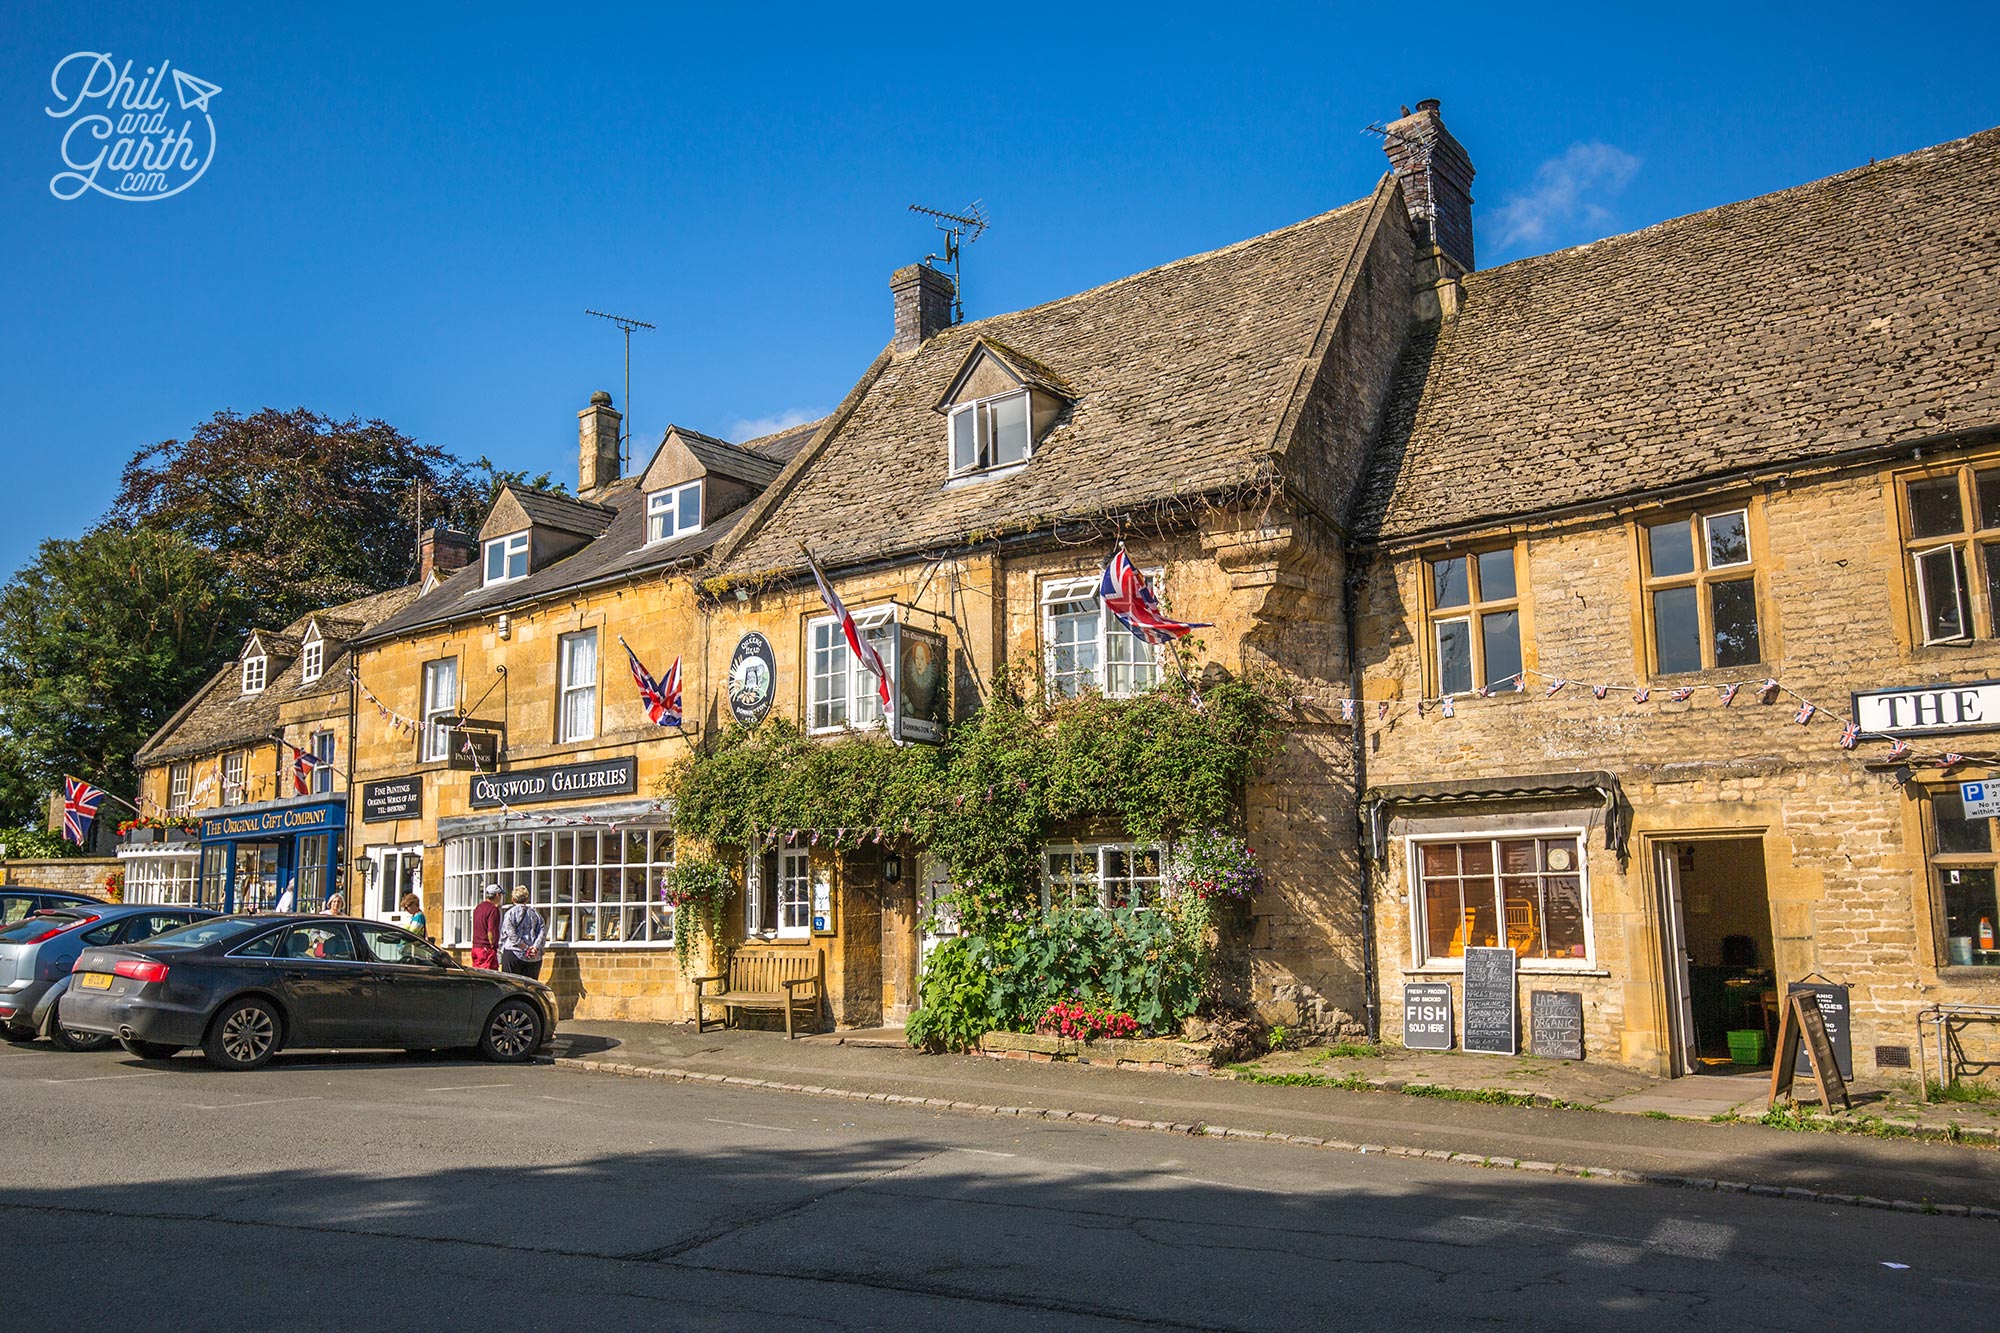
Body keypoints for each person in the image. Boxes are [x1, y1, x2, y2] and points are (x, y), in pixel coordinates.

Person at [498, 886, 547, 980]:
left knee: (510, 985)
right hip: (533, 957)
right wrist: (535, 947)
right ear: (527, 899)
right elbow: (542, 932)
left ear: (512, 899)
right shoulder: (536, 915)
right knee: (530, 987)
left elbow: (511, 935)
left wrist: (525, 948)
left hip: (513, 953)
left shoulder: (510, 914)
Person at [470, 884, 503, 970]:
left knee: (477, 975)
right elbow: (491, 932)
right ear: (497, 895)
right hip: (486, 949)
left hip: (475, 947)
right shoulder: (493, 909)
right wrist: (493, 947)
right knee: (489, 976)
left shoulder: (478, 908)